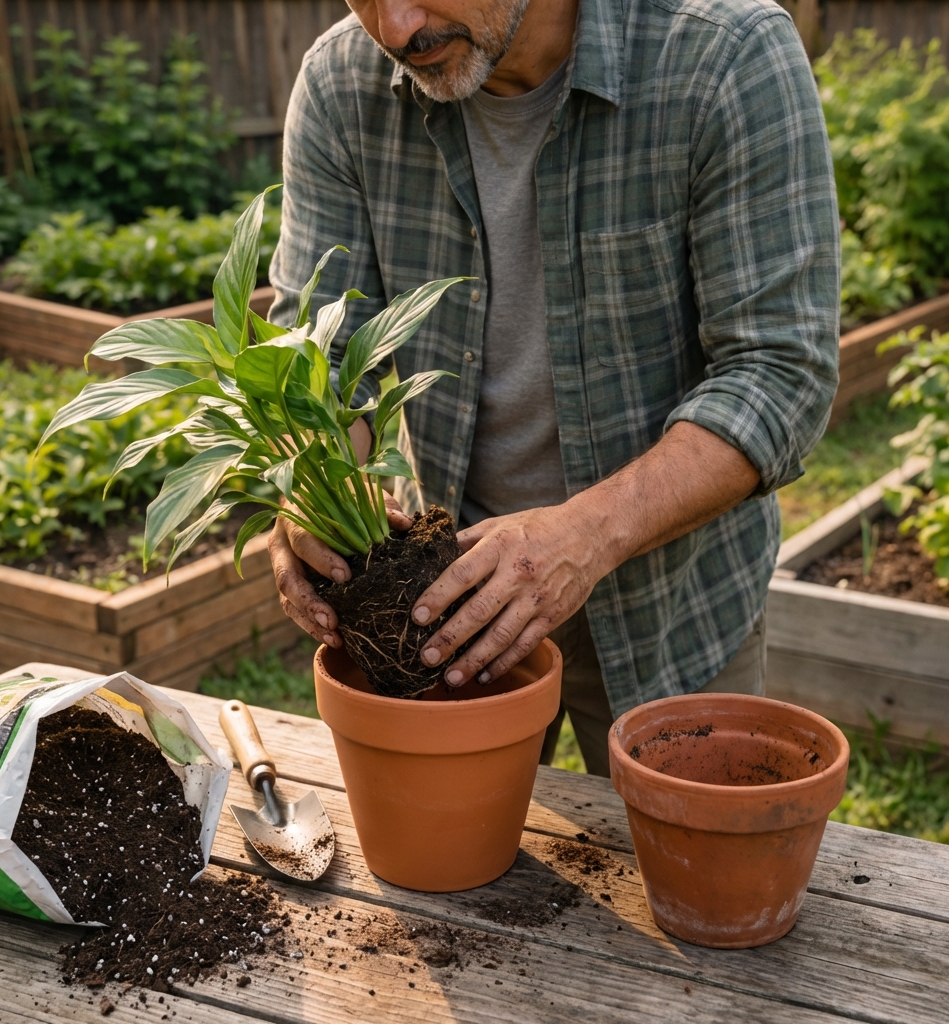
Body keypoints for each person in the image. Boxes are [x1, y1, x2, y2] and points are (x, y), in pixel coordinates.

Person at [265, 0, 840, 775]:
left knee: (679, 882)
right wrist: (316, 479)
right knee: (440, 877)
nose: (396, 30)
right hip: (448, 596)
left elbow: (780, 373)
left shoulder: (722, 56)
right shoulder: (343, 84)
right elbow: (322, 362)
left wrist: (585, 534)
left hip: (674, 602)